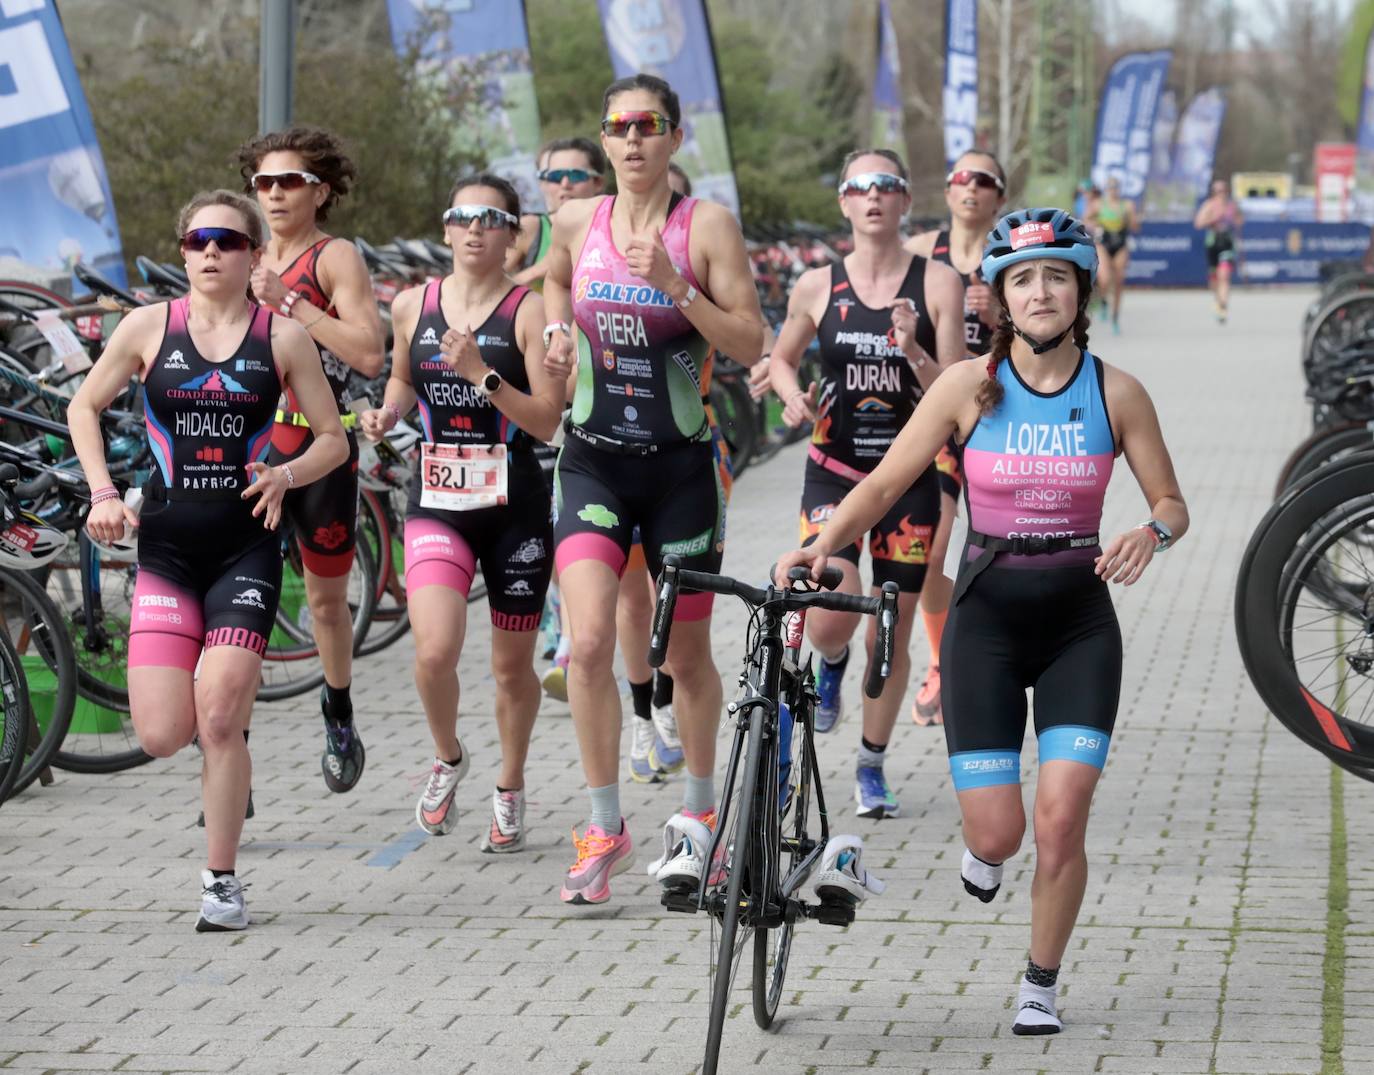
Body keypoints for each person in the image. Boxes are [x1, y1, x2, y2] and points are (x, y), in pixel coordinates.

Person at [776, 206, 1188, 1034]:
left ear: (1080, 291)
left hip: (1080, 625)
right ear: (999, 297)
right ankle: (986, 852)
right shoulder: (968, 386)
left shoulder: (1118, 391)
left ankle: (1040, 982)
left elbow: (1173, 502)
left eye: (1057, 277)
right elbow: (888, 481)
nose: (1040, 292)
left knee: (1062, 816)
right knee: (999, 833)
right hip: (986, 622)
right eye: (1023, 279)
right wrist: (821, 545)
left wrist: (1152, 532)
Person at [70, 190, 349, 931]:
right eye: (198, 240)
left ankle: (221, 881)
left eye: (228, 239)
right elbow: (82, 406)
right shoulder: (147, 326)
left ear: (255, 255)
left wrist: (286, 477)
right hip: (165, 549)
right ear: (184, 250)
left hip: (245, 548)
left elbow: (334, 439)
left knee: (221, 715)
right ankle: (203, 690)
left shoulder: (282, 337)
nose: (211, 252)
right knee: (164, 733)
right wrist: (103, 491)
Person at [542, 73, 765, 904]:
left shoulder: (705, 227)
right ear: (603, 142)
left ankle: (700, 816)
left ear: (673, 139)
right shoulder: (577, 218)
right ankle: (605, 826)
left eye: (649, 125)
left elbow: (748, 339)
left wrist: (678, 288)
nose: (633, 139)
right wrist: (559, 332)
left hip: (680, 470)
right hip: (594, 458)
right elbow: (555, 276)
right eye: (618, 127)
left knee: (683, 654)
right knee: (591, 644)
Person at [360, 173, 562, 850]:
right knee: (435, 648)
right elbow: (400, 376)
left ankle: (509, 784)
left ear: (512, 233)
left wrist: (482, 373)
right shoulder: (412, 303)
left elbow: (546, 423)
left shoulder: (528, 311)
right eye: (462, 216)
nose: (475, 228)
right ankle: (448, 755)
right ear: (446, 228)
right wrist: (386, 412)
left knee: (511, 668)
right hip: (438, 500)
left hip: (514, 506)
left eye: (491, 217)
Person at [770, 148, 964, 819]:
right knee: (827, 619)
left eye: (887, 185)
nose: (874, 196)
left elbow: (961, 390)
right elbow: (782, 357)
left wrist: (912, 349)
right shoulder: (816, 285)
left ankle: (872, 765)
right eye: (861, 186)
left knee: (891, 631)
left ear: (905, 200)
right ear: (845, 203)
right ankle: (829, 669)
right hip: (834, 470)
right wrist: (792, 396)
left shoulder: (938, 283)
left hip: (908, 477)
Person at [235, 127, 385, 793]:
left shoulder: (334, 258)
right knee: (238, 607)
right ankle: (229, 758)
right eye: (263, 182)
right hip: (254, 447)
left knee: (326, 604)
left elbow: (369, 353)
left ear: (319, 190)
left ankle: (338, 709)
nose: (273, 193)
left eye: (288, 181)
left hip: (320, 449)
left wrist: (288, 303)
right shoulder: (239, 252)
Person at [904, 150, 1007, 728]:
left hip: (999, 417)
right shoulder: (920, 253)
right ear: (947, 191)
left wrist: (997, 317)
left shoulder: (1010, 255)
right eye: (961, 178)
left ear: (999, 194)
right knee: (934, 550)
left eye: (983, 180)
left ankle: (998, 658)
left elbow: (1040, 341)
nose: (971, 187)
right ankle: (942, 662)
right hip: (936, 417)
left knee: (997, 550)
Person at [508, 137, 607, 290]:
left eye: (576, 175)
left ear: (598, 182)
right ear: (544, 183)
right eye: (555, 177)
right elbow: (485, 294)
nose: (565, 184)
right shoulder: (531, 228)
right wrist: (537, 270)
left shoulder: (617, 229)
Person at [1092, 176, 1138, 333]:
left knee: (1119, 280)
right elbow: (1085, 219)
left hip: (1120, 243)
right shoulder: (1099, 204)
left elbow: (1136, 227)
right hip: (1103, 243)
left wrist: (1132, 218)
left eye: (1115, 187)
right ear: (1106, 189)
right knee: (1104, 278)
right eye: (1110, 187)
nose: (1113, 191)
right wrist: (1095, 225)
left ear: (1119, 189)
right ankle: (1104, 300)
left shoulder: (1127, 205)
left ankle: (1115, 317)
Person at [1194, 178, 1242, 323]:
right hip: (1213, 243)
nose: (1220, 194)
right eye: (1217, 191)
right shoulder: (1208, 205)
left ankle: (1223, 306)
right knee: (1214, 279)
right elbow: (1198, 223)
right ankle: (1218, 300)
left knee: (1224, 276)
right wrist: (1214, 218)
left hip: (1226, 243)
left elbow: (1239, 222)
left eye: (1223, 190)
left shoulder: (1231, 206)